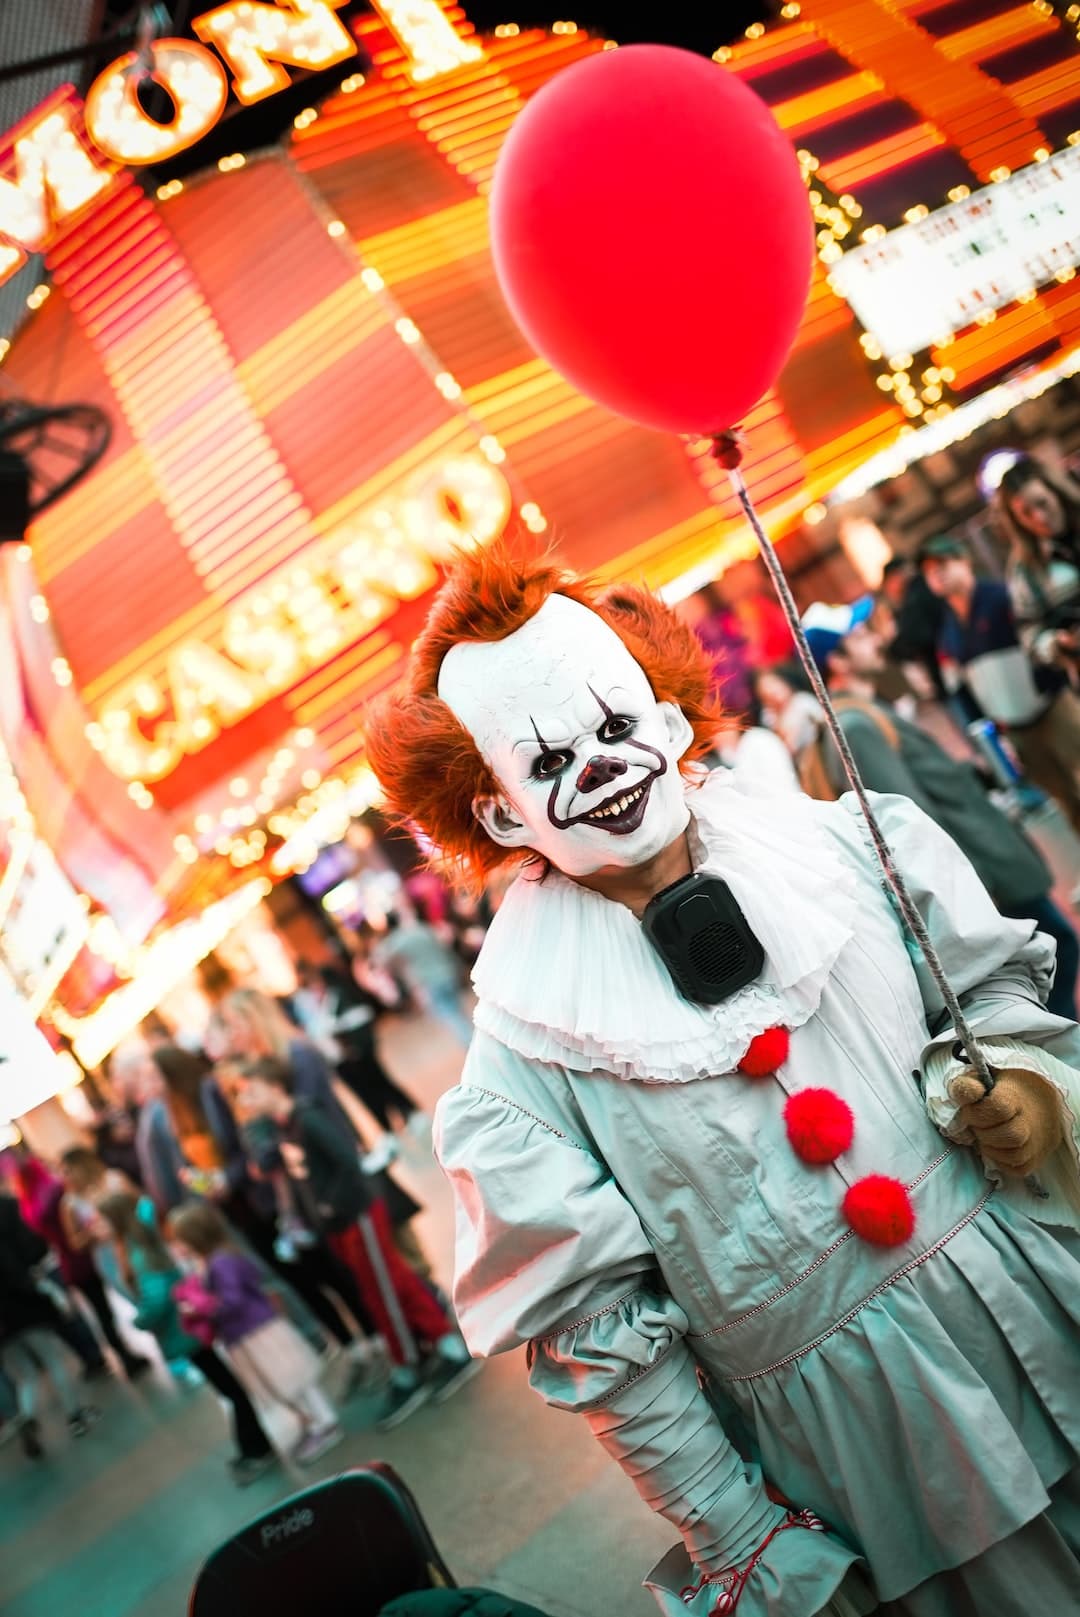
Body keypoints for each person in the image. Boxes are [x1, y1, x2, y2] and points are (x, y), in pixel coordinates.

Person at [364, 543, 1080, 1617]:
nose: (602, 766)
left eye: (615, 727)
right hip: (878, 1462)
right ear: (504, 814)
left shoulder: (843, 848)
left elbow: (978, 993)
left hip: (1041, 1303)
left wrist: (1018, 1079)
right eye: (550, 761)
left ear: (663, 716)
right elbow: (607, 1346)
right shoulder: (523, 1072)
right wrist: (741, 1535)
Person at [800, 597, 1079, 1020]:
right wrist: (978, 897)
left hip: (992, 863)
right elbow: (913, 828)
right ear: (837, 662)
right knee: (1051, 968)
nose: (873, 639)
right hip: (990, 875)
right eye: (857, 637)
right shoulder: (854, 725)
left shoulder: (865, 711)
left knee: (1050, 966)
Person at [235, 1056, 476, 1429]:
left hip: (357, 1215)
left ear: (274, 1085)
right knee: (387, 1283)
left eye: (252, 1088)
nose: (247, 1097)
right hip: (340, 1223)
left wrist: (330, 1205)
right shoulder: (284, 1128)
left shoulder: (307, 1118)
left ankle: (410, 1364)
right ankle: (441, 1346)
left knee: (383, 1289)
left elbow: (348, 1161)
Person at [96, 1191, 278, 1485]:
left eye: (102, 1220)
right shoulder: (137, 1245)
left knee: (230, 1389)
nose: (96, 1226)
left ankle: (257, 1447)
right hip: (184, 1328)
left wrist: (140, 1320)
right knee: (228, 1387)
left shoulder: (138, 1253)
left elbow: (157, 1295)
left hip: (183, 1330)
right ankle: (252, 1445)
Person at [919, 534, 1080, 832]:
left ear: (964, 561)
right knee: (1067, 803)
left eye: (943, 563)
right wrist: (993, 739)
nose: (937, 573)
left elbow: (1041, 643)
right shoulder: (948, 635)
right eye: (929, 571)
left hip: (1053, 708)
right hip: (1017, 732)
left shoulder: (1003, 597)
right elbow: (962, 693)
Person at [169, 1200, 343, 1466]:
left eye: (179, 1240)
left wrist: (203, 1307)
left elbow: (233, 1300)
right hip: (245, 1336)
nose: (176, 1247)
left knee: (292, 1381)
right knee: (281, 1384)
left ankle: (324, 1423)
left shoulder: (221, 1262)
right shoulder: (212, 1262)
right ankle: (313, 1424)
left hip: (258, 1333)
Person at [0, 1190, 101, 1458]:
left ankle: (28, 1417)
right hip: (22, 1305)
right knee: (53, 1359)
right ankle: (75, 1416)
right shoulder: (6, 1208)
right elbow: (30, 1249)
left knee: (25, 1376)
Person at [294, 961, 427, 1137]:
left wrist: (358, 1045)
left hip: (360, 1051)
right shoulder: (305, 1006)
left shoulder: (338, 994)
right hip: (337, 1058)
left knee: (380, 1082)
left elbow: (362, 1017)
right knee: (365, 1094)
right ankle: (386, 1126)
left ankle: (409, 1111)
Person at [56, 1148, 153, 1379]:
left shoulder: (114, 1179)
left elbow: (143, 1204)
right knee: (143, 1302)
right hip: (109, 1259)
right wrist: (91, 1234)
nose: (64, 1177)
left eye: (67, 1171)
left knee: (159, 1290)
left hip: (138, 1244)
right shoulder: (70, 1203)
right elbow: (75, 1243)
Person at [995, 455, 1080, 672]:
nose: (1039, 517)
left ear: (1055, 492)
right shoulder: (1024, 570)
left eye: (1042, 503)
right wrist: (1056, 643)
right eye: (1026, 513)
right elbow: (1029, 635)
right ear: (1016, 520)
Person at [374, 912, 473, 1048]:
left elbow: (380, 960)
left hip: (431, 980)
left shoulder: (396, 941)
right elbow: (440, 944)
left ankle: (471, 1043)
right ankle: (474, 1038)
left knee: (450, 1015)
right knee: (457, 1010)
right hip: (447, 972)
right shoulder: (420, 929)